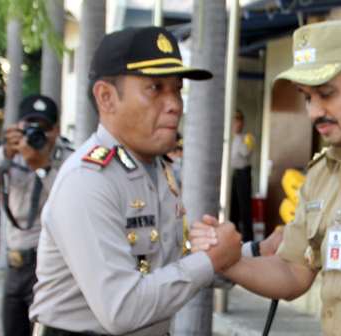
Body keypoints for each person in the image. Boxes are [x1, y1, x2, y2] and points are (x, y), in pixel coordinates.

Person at [29, 26, 242, 336]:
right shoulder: (88, 180)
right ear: (106, 97)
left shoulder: (156, 169)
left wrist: (244, 251)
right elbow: (122, 309)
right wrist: (210, 261)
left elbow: (168, 266)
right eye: (155, 88)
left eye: (177, 88)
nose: (175, 104)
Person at [189, 20, 341, 336]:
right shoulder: (322, 172)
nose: (313, 112)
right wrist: (228, 261)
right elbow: (294, 271)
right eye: (307, 97)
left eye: (326, 94)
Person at [0, 94, 73, 336]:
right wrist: (5, 152)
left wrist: (43, 167)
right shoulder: (11, 154)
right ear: (19, 127)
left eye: (44, 128)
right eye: (30, 126)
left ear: (56, 129)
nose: (38, 133)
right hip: (14, 268)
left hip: (48, 269)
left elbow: (73, 205)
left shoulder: (69, 160)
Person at [230, 109, 255, 240]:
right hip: (231, 176)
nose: (235, 123)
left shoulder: (247, 137)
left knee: (245, 209)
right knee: (231, 208)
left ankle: (248, 239)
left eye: (238, 120)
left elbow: (245, 152)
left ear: (242, 122)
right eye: (234, 120)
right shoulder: (228, 137)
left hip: (243, 175)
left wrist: (237, 136)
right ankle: (232, 237)